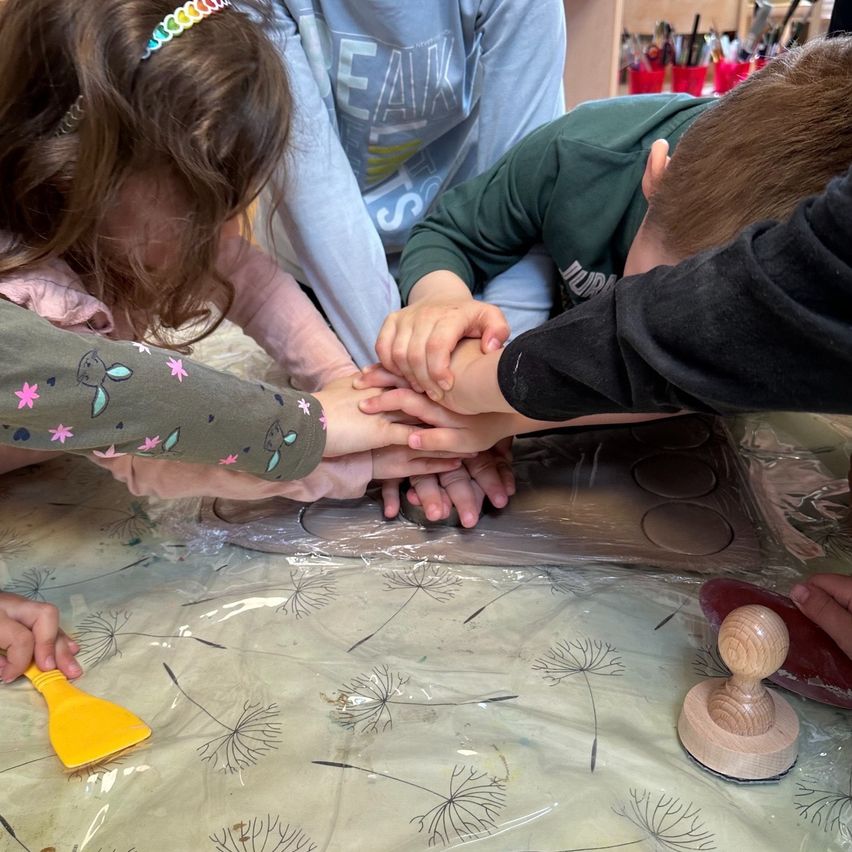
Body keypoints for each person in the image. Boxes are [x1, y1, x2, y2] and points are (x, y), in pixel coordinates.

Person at [0, 0, 472, 681]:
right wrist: (366, 454)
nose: (217, 228)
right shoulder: (38, 305)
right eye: (199, 205)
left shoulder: (107, 211)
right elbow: (157, 444)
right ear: (77, 170)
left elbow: (248, 277)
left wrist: (350, 391)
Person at [361, 37, 852, 523]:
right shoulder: (580, 152)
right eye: (642, 291)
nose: (633, 317)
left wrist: (501, 415)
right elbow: (450, 232)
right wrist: (438, 303)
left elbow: (683, 377)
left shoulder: (801, 319)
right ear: (656, 175)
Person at [258, 0, 566, 367]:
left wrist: (497, 360)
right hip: (331, 278)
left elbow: (521, 192)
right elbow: (317, 199)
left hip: (472, 257)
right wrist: (403, 367)